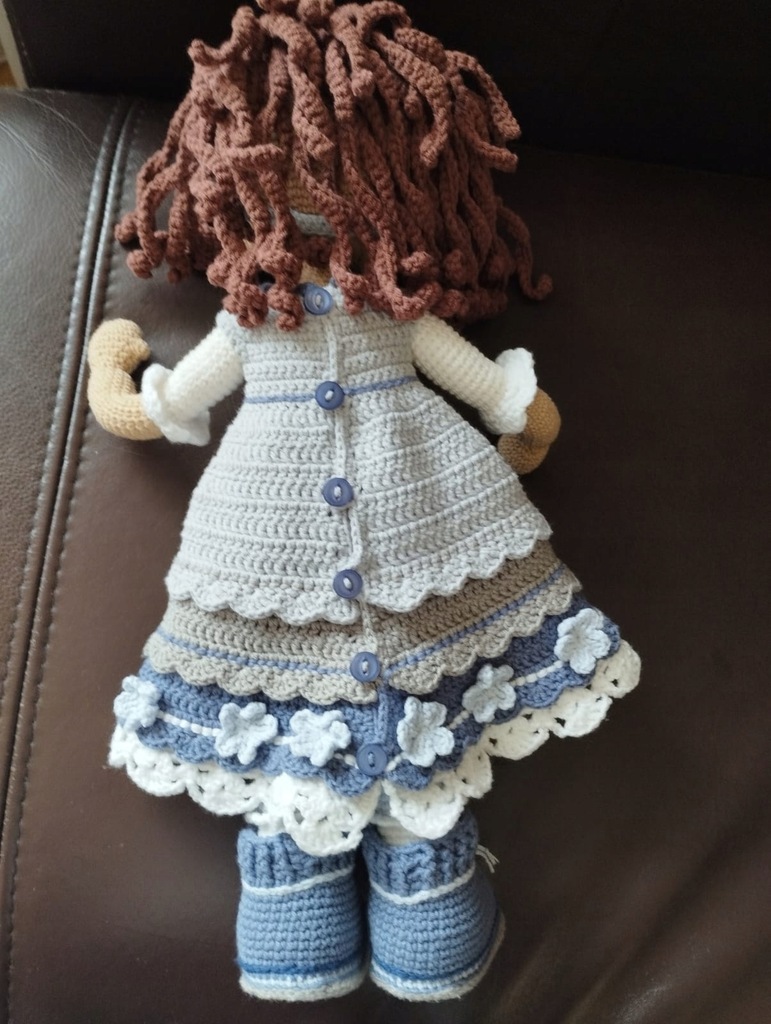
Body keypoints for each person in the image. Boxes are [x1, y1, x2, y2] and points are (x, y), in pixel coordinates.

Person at [88, 0, 640, 1002]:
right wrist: (117, 379)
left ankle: (415, 889)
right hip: (269, 550)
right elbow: (172, 401)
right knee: (293, 743)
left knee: (419, 729)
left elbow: (477, 380)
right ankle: (313, 898)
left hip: (431, 526)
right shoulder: (257, 316)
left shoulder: (392, 307)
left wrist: (520, 417)